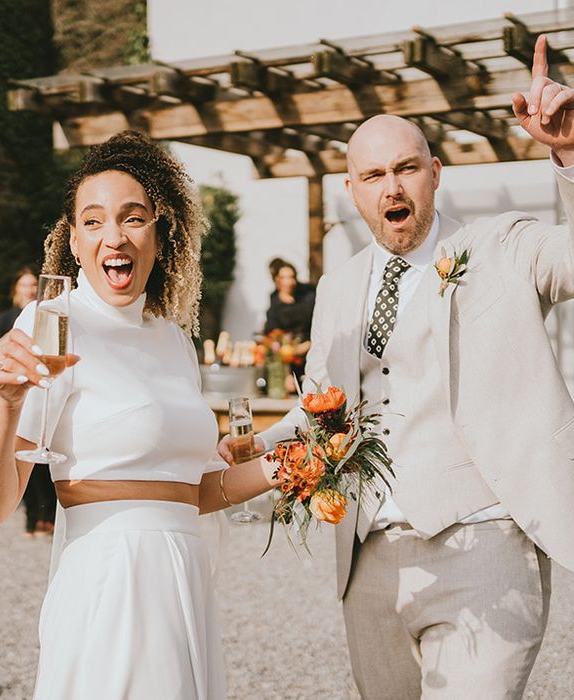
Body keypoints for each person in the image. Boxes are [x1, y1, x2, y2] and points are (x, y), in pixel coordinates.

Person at [219, 35, 574, 699]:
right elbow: (321, 406)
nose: (392, 186)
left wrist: (570, 154)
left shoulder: (502, 245)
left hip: (486, 544)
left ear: (435, 173)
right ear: (352, 190)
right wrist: (258, 445)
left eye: (407, 168)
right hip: (370, 563)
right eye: (374, 175)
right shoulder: (337, 287)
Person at [0, 130, 277, 699]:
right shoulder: (53, 321)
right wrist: (5, 404)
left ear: (160, 234)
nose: (114, 235)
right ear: (74, 241)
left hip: (183, 581)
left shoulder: (174, 337)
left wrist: (290, 465)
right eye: (94, 221)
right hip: (111, 581)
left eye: (133, 218)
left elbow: (197, 493)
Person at [0, 268, 56, 538]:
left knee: (44, 465)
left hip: (42, 392)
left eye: (33, 284)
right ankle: (31, 518)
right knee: (20, 461)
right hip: (15, 392)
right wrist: (18, 331)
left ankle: (48, 516)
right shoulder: (5, 318)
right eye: (24, 285)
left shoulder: (49, 314)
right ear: (15, 289)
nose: (29, 289)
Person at [263, 258, 315, 340]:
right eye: (284, 278)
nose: (289, 282)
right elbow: (274, 332)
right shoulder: (274, 305)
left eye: (292, 277)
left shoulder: (308, 295)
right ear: (277, 280)